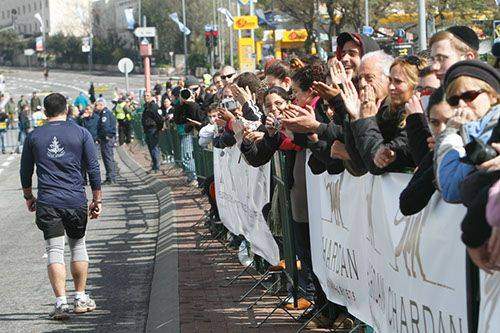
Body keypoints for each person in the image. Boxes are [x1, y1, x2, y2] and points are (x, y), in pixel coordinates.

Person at [19, 92, 102, 320]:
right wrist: (97, 199)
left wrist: (29, 195)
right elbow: (93, 168)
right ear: (67, 109)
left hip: (48, 201)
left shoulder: (34, 136)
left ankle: (61, 303)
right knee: (78, 247)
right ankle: (81, 298)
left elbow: (25, 170)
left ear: (45, 112)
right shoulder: (81, 133)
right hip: (75, 199)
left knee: (54, 250)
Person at [434, 60, 499, 203]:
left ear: (493, 95)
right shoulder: (468, 129)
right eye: (454, 100)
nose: (461, 105)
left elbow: (451, 188)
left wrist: (450, 133)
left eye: (469, 96)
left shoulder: (494, 124)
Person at [95, 98, 117, 185]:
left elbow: (105, 127)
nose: (96, 107)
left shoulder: (105, 114)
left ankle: (111, 178)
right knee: (107, 158)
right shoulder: (104, 113)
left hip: (107, 139)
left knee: (108, 158)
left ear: (102, 105)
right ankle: (110, 177)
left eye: (97, 105)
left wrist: (104, 136)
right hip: (107, 138)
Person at [141, 91, 164, 173]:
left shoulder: (153, 106)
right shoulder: (147, 106)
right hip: (147, 130)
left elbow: (159, 118)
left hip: (153, 129)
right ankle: (154, 166)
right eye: (144, 96)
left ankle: (156, 167)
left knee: (154, 148)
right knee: (151, 148)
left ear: (151, 96)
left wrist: (159, 128)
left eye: (147, 95)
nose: (146, 97)